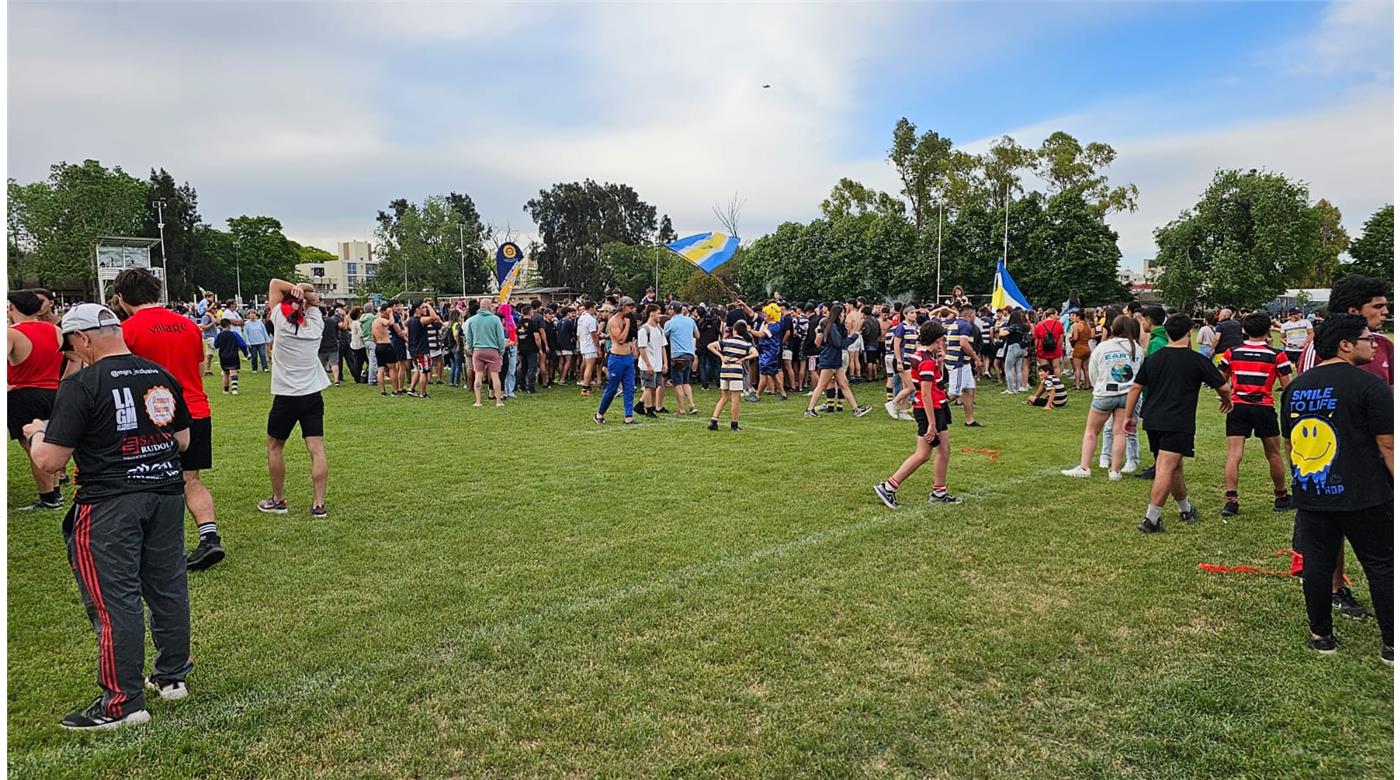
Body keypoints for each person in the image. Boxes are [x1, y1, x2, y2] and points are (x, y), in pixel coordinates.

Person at [23, 303, 193, 730]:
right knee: (167, 585)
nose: (70, 353)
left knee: (114, 598)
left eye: (70, 344)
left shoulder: (83, 384)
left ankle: (122, 703)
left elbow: (49, 460)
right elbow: (183, 439)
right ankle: (172, 677)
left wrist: (37, 431)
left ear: (82, 338)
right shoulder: (158, 373)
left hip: (111, 500)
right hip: (166, 492)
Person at [1282, 314, 1393, 661]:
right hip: (1365, 493)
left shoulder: (1296, 388)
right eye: (1367, 338)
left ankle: (1321, 636)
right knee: (1382, 564)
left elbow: (1291, 443)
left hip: (1313, 492)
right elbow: (1388, 446)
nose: (1373, 343)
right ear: (1345, 345)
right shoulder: (1369, 385)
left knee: (1317, 563)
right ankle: (1391, 643)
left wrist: (1301, 480)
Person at [113, 268, 224, 571]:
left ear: (122, 297)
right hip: (196, 409)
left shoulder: (127, 330)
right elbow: (200, 370)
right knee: (190, 479)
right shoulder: (188, 325)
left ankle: (147, 547)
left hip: (152, 416)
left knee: (144, 481)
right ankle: (208, 536)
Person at [1125, 313, 1232, 533]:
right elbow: (1223, 386)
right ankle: (1151, 519)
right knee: (1166, 466)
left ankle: (1185, 509)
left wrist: (1129, 416)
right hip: (1177, 421)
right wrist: (1226, 401)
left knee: (1174, 466)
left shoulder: (1153, 358)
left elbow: (1136, 387)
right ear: (1188, 333)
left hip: (1153, 420)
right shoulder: (1196, 360)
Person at [259, 280, 331, 518]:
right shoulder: (316, 324)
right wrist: (304, 292)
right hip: (312, 395)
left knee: (275, 447)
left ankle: (278, 499)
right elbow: (314, 302)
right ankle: (318, 504)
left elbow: (274, 284)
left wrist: (295, 288)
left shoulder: (280, 318)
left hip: (286, 396)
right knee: (316, 449)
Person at [873, 320, 961, 507]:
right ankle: (888, 487)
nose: (942, 344)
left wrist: (941, 362)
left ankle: (939, 492)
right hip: (930, 410)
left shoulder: (923, 356)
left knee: (943, 451)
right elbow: (926, 393)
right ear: (937, 340)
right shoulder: (926, 361)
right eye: (941, 340)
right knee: (923, 454)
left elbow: (936, 382)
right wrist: (931, 423)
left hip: (936, 407)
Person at [1218, 312, 1294, 516]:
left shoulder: (1231, 352)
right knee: (1273, 453)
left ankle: (1231, 501)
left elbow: (1220, 380)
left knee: (1234, 454)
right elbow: (1287, 387)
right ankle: (1281, 497)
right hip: (1263, 407)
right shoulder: (1277, 354)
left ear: (1244, 330)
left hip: (1238, 406)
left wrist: (1226, 398)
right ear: (1269, 330)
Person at [1062, 315, 1143, 480]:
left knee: (1091, 431)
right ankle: (1114, 470)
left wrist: (1096, 386)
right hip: (1127, 394)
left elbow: (1093, 370)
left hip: (1105, 393)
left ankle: (1084, 467)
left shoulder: (1104, 347)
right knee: (1120, 433)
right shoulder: (1137, 349)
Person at [8, 290, 64, 509]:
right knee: (53, 442)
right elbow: (72, 358)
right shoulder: (56, 330)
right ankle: (55, 491)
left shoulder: (12, 333)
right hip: (55, 392)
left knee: (33, 446)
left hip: (25, 394)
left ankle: (48, 497)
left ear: (12, 308)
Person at [803, 302, 872, 418]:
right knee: (821, 385)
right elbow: (840, 344)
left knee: (844, 384)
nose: (844, 316)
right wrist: (855, 336)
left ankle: (856, 409)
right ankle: (809, 409)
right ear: (839, 314)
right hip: (830, 360)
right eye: (843, 314)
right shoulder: (832, 327)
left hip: (834, 359)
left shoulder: (834, 326)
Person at [594, 297, 640, 425]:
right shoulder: (613, 321)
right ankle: (599, 413)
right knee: (612, 388)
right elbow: (620, 339)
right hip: (617, 358)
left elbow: (631, 336)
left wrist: (633, 346)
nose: (632, 310)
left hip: (628, 357)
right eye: (630, 307)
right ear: (623, 307)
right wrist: (627, 326)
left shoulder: (629, 318)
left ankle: (629, 416)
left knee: (629, 388)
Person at [708, 320, 758, 431]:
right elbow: (755, 353)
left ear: (734, 330)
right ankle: (734, 425)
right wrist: (744, 359)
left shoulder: (726, 341)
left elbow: (710, 346)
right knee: (735, 399)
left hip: (725, 371)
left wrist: (721, 356)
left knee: (724, 397)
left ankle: (713, 421)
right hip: (736, 372)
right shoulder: (746, 344)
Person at [465, 298, 507, 408]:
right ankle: (498, 401)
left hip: (478, 350)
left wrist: (471, 349)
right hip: (493, 350)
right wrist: (501, 352)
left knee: (478, 375)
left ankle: (478, 401)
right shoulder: (496, 319)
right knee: (495, 376)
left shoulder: (472, 320)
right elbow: (500, 338)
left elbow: (468, 337)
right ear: (489, 307)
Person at [946, 305, 982, 427]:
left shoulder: (954, 324)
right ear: (970, 315)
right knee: (954, 393)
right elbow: (964, 344)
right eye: (974, 315)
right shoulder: (966, 326)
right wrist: (976, 359)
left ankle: (969, 420)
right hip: (959, 363)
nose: (975, 318)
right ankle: (927, 409)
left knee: (969, 390)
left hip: (961, 363)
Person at [663, 302, 700, 415]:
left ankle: (682, 409)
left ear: (673, 310)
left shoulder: (670, 323)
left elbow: (663, 337)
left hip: (678, 355)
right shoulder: (690, 321)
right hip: (690, 354)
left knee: (678, 383)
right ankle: (692, 405)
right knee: (686, 382)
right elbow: (697, 335)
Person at [406, 299, 441, 399]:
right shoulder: (419, 320)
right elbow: (434, 317)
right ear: (417, 309)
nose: (425, 309)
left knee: (419, 369)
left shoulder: (411, 320)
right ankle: (423, 393)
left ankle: (412, 388)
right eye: (423, 308)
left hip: (413, 349)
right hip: (421, 350)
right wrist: (429, 306)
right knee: (424, 372)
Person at [637, 303, 667, 418]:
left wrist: (665, 362)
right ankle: (648, 409)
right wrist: (648, 364)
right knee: (649, 387)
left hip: (658, 363)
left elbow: (663, 346)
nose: (660, 316)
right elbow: (642, 348)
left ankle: (644, 405)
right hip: (648, 364)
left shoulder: (659, 329)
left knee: (655, 386)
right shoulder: (644, 330)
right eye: (658, 313)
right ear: (651, 313)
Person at [212, 318, 249, 396]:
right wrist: (246, 354)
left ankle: (226, 390)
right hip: (233, 355)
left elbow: (215, 345)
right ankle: (234, 389)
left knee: (226, 373)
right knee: (233, 371)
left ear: (221, 326)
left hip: (223, 356)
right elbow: (242, 345)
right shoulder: (234, 334)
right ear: (229, 325)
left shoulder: (219, 335)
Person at [371, 303, 399, 397]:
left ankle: (382, 391)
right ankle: (395, 390)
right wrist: (391, 313)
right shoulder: (382, 319)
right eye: (386, 312)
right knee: (393, 368)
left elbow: (373, 337)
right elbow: (390, 323)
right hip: (386, 345)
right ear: (383, 311)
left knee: (381, 369)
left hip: (378, 346)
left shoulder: (374, 322)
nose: (388, 315)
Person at [1000, 309, 1031, 393]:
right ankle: (1017, 388)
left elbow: (1002, 334)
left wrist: (1001, 329)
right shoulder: (1023, 327)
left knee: (1008, 368)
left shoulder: (1013, 326)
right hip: (1021, 348)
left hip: (1013, 347)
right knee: (1018, 369)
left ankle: (1010, 389)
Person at [1032, 308, 1065, 379]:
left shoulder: (1039, 324)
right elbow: (1061, 337)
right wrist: (1061, 346)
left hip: (1042, 348)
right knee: (1056, 367)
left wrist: (1036, 348)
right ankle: (1057, 383)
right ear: (1051, 315)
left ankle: (1045, 384)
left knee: (1044, 368)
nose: (1057, 316)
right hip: (1055, 348)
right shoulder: (1058, 324)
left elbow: (1036, 339)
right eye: (1056, 314)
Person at [577, 300, 600, 395]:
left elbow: (578, 334)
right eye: (594, 308)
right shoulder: (591, 320)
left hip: (583, 344)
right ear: (591, 308)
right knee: (590, 367)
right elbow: (594, 334)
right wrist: (597, 347)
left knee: (586, 365)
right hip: (590, 345)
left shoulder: (581, 318)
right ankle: (585, 387)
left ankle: (586, 385)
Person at [318, 305, 343, 387]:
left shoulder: (318, 322)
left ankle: (322, 380)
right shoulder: (332, 321)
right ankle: (336, 380)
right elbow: (339, 329)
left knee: (321, 365)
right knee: (334, 364)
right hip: (333, 345)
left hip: (321, 346)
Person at [1068, 310, 1092, 391]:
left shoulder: (1076, 325)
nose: (1073, 318)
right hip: (1087, 347)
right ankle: (1087, 384)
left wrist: (1070, 339)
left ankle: (1077, 386)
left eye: (1074, 316)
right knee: (1086, 368)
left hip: (1079, 347)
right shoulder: (1087, 325)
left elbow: (1075, 337)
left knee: (1077, 368)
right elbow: (1091, 336)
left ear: (1078, 316)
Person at [346, 306, 367, 384]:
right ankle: (357, 378)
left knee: (358, 361)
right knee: (359, 362)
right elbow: (361, 334)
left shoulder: (353, 323)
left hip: (354, 345)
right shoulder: (357, 323)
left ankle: (358, 377)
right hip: (359, 345)